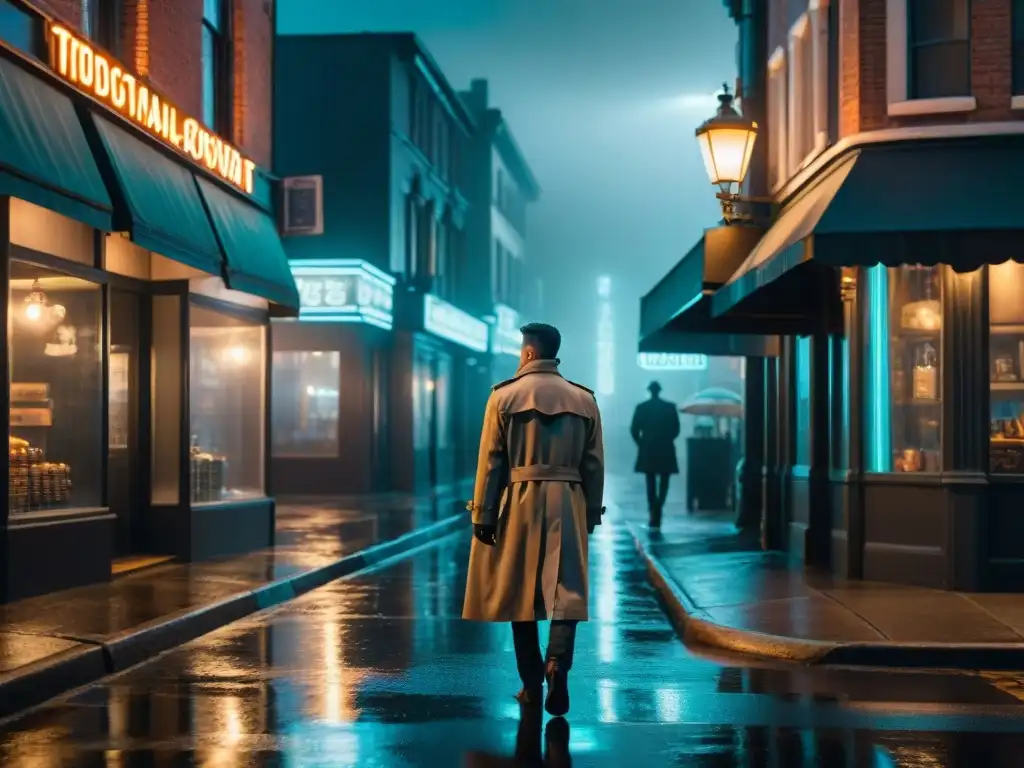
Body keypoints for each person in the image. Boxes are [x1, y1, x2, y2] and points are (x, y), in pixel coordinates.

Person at [462, 322, 605, 718]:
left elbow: (491, 463)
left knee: (520, 593)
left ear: (527, 353)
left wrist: (484, 514)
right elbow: (594, 463)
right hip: (569, 498)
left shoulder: (503, 397)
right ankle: (557, 664)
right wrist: (591, 510)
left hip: (519, 499)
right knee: (566, 592)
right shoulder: (584, 400)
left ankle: (530, 683)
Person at [630, 381, 680, 528]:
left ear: (650, 391)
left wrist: (641, 443)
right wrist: (667, 439)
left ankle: (653, 509)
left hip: (648, 448)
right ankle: (659, 506)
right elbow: (676, 429)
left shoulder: (642, 408)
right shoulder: (670, 407)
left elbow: (634, 429)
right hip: (665, 448)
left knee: (650, 481)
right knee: (665, 480)